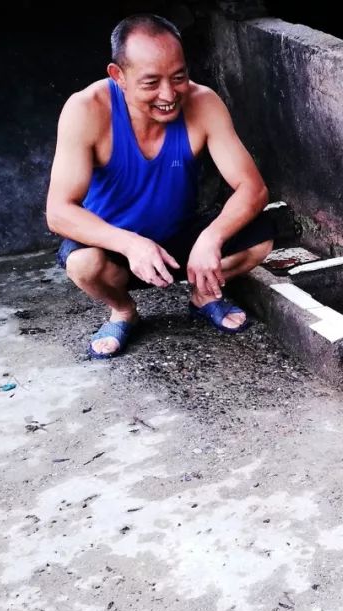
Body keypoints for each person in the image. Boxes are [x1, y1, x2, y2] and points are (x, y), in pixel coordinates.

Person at [45, 14, 273, 359]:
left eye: (179, 77)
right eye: (151, 83)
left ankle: (203, 294)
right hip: (117, 249)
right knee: (84, 264)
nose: (169, 94)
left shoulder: (203, 102)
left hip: (179, 240)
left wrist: (211, 239)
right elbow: (59, 212)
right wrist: (131, 244)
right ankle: (123, 311)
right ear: (118, 76)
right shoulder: (86, 109)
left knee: (261, 239)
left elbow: (252, 189)